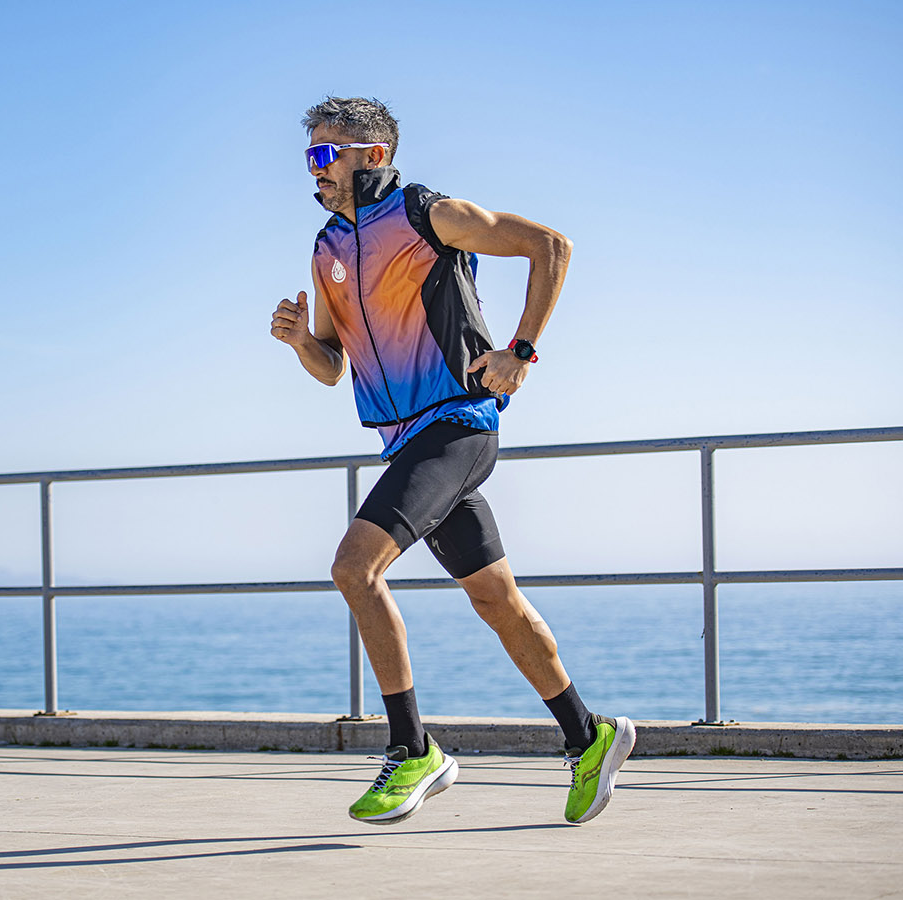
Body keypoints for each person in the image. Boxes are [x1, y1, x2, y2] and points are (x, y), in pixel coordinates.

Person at [270, 96, 635, 826]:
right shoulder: (326, 248)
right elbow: (331, 366)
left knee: (354, 568)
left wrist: (521, 352)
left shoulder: (425, 213)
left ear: (371, 155)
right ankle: (588, 736)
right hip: (406, 443)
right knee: (495, 600)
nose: (314, 169)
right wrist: (297, 343)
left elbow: (550, 246)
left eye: (325, 154)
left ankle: (413, 752)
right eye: (309, 155)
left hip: (458, 427)